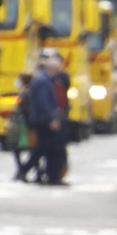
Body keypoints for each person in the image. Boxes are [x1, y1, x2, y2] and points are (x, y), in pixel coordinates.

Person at [27, 51, 69, 186]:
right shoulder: (43, 81)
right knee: (45, 149)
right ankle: (29, 172)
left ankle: (49, 176)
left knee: (46, 149)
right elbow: (43, 102)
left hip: (45, 120)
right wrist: (51, 119)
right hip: (44, 121)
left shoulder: (46, 79)